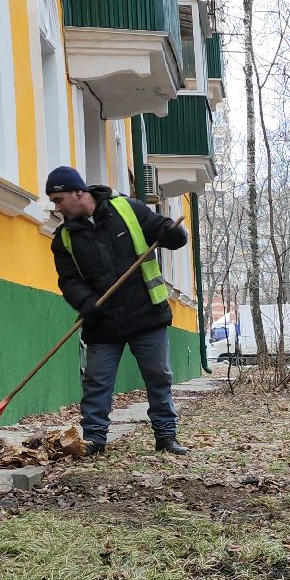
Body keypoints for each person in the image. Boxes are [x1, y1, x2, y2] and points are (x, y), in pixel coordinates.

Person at [45, 166, 190, 455]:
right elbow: (69, 280)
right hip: (102, 322)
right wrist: (86, 302)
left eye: (58, 200)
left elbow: (163, 230)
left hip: (145, 312)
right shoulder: (63, 239)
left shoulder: (127, 209)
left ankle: (166, 436)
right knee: (96, 381)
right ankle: (95, 440)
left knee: (158, 376)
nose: (56, 207)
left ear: (78, 192)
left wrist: (173, 235)